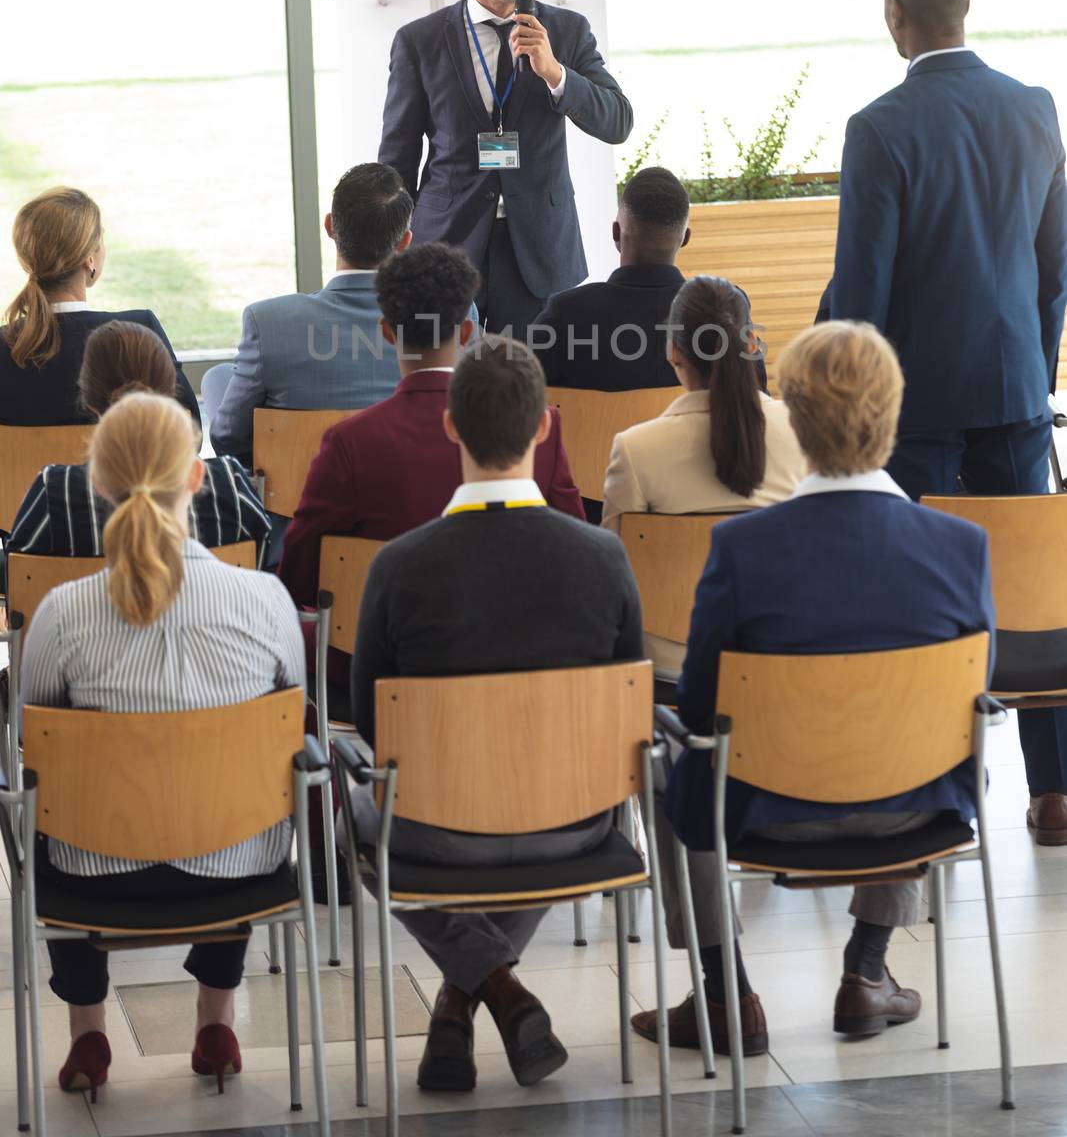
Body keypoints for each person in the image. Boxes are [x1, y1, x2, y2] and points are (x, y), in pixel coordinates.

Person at [637, 322, 994, 1057]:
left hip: (770, 812)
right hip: (914, 809)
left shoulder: (741, 549)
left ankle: (722, 990)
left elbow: (701, 707)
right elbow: (969, 697)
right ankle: (865, 971)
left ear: (792, 422)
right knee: (926, 729)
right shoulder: (961, 546)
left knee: (667, 759)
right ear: (892, 415)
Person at [347, 337, 643, 1094]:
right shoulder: (602, 557)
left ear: (450, 426)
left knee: (348, 811)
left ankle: (469, 994)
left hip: (439, 829)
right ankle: (493, 993)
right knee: (547, 784)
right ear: (545, 426)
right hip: (574, 820)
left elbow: (373, 725)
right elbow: (626, 707)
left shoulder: (398, 565)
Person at [829, 0, 1067, 842]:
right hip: (1012, 387)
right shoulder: (1033, 108)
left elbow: (862, 292)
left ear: (894, 13)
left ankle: (923, 784)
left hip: (914, 401)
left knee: (910, 587)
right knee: (1034, 589)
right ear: (964, 6)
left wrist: (852, 409)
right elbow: (1054, 269)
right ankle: (1053, 794)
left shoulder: (878, 126)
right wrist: (1031, 373)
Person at [20, 392, 304, 1102]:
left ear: (97, 482)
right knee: (238, 785)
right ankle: (216, 1019)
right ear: (198, 480)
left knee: (50, 798)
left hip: (94, 872)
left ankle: (88, 1023)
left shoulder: (62, 611)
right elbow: (292, 729)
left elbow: (35, 744)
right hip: (236, 868)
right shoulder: (265, 598)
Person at [378, 0, 633, 341]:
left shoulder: (567, 32)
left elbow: (618, 122)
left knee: (530, 389)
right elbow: (397, 160)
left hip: (538, 248)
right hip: (446, 246)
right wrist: (394, 256)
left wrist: (555, 73)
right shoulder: (419, 41)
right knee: (445, 387)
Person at [279, 241, 583, 613]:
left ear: (387, 332)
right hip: (520, 648)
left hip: (380, 655)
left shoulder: (350, 443)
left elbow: (299, 577)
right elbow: (575, 551)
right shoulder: (540, 427)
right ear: (468, 331)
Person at [602, 276, 805, 677]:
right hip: (776, 649)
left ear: (673, 351)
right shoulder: (804, 433)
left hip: (671, 662)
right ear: (751, 345)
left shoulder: (635, 449)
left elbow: (615, 575)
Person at [7, 321, 270, 565]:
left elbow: (19, 577)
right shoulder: (231, 487)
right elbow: (260, 564)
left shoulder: (53, 495)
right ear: (171, 390)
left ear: (88, 401)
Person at [203, 163, 414, 465]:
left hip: (298, 502)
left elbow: (226, 437)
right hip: (412, 499)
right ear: (404, 242)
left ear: (329, 226)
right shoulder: (454, 316)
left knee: (218, 377)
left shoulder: (268, 321)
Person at [0, 186, 199, 431]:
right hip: (119, 470)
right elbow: (191, 431)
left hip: (21, 471)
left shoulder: (4, 344)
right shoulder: (139, 332)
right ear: (89, 259)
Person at [535, 166, 690, 392]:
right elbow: (757, 401)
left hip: (594, 429)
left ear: (616, 233)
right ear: (685, 238)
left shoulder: (565, 315)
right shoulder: (722, 313)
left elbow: (520, 409)